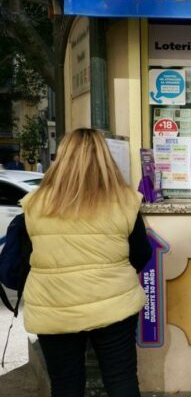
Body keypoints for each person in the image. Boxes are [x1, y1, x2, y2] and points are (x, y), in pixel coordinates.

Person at [20, 128, 150, 397]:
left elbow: (22, 260)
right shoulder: (125, 201)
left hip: (53, 306)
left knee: (66, 385)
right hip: (114, 303)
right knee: (121, 380)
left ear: (62, 157)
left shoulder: (33, 204)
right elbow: (141, 253)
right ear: (106, 158)